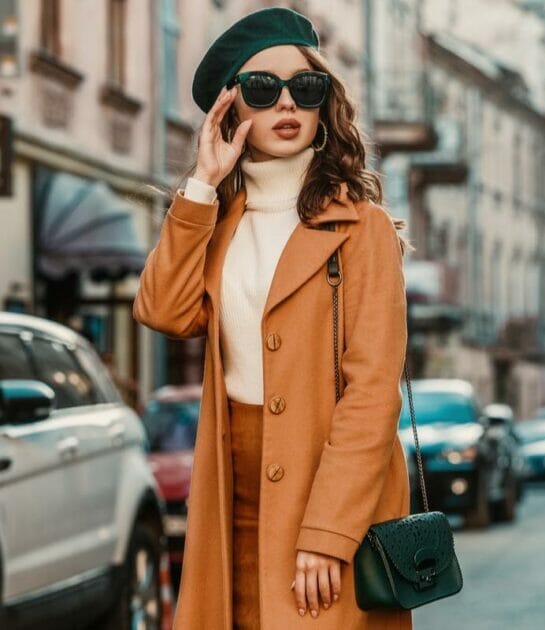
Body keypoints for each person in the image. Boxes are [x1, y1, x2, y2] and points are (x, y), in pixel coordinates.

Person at [133, 8, 413, 629]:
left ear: (323, 105)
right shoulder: (215, 223)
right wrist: (203, 184)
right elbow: (163, 310)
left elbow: (371, 395)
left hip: (330, 488)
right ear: (233, 112)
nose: (286, 103)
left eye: (304, 89)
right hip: (229, 490)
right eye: (263, 90)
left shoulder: (360, 228)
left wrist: (329, 529)